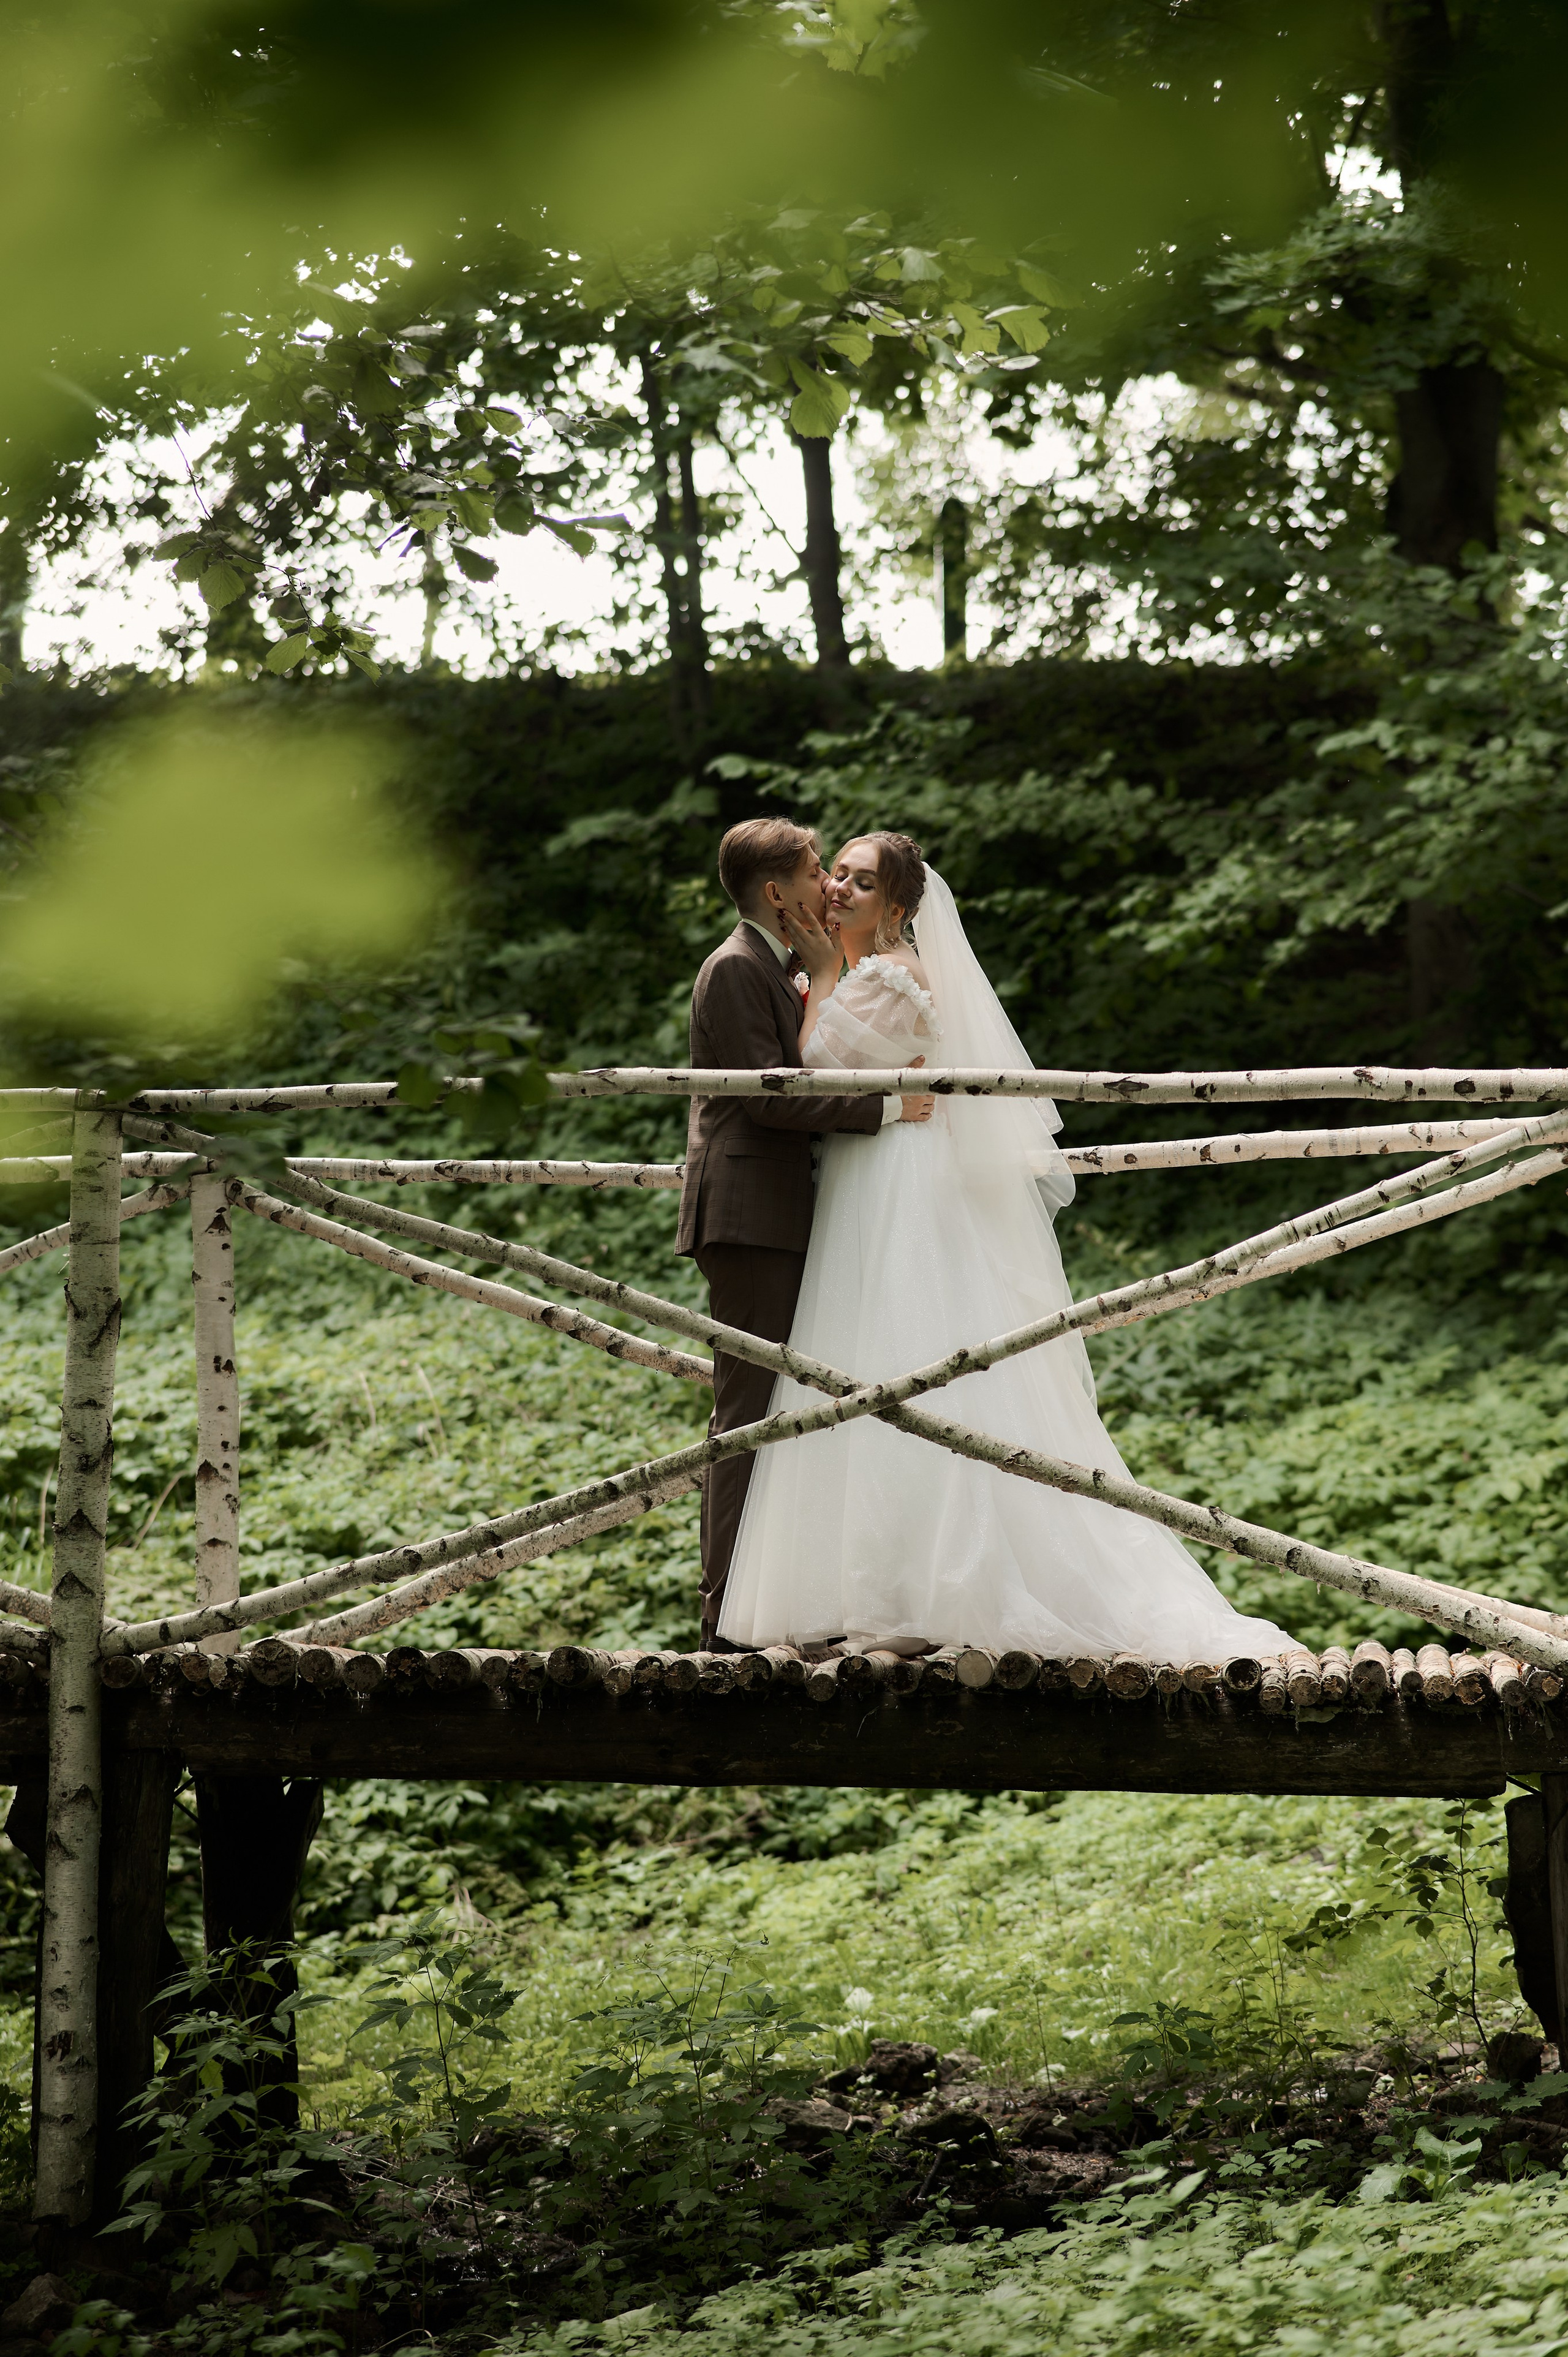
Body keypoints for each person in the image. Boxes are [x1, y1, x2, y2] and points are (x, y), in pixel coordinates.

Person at [715, 829, 1293, 1662]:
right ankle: (877, 1587)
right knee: (857, 1366)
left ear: (898, 908)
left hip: (898, 1184)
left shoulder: (893, 976)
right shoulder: (847, 971)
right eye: (835, 873)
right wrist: (826, 970)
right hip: (862, 1179)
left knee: (903, 1354)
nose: (838, 888)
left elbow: (815, 1064)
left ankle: (933, 1588)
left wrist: (826, 971)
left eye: (861, 882)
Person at [676, 817, 935, 1646]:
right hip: (750, 1214)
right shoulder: (735, 968)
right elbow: (769, 1096)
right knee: (749, 1414)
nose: (827, 883)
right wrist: (888, 1106)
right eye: (818, 869)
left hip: (784, 1212)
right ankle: (724, 1623)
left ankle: (778, 1604)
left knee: (780, 1408)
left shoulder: (781, 965)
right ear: (776, 891)